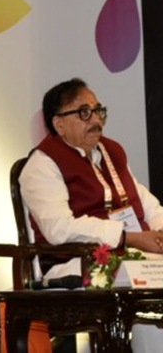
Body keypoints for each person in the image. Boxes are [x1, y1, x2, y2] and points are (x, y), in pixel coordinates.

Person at [20, 77, 163, 351]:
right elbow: (59, 228)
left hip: (131, 258)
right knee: (144, 279)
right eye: (84, 112)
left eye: (99, 111)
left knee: (144, 275)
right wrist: (129, 238)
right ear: (58, 123)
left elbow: (144, 203)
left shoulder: (112, 151)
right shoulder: (42, 165)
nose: (95, 119)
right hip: (74, 263)